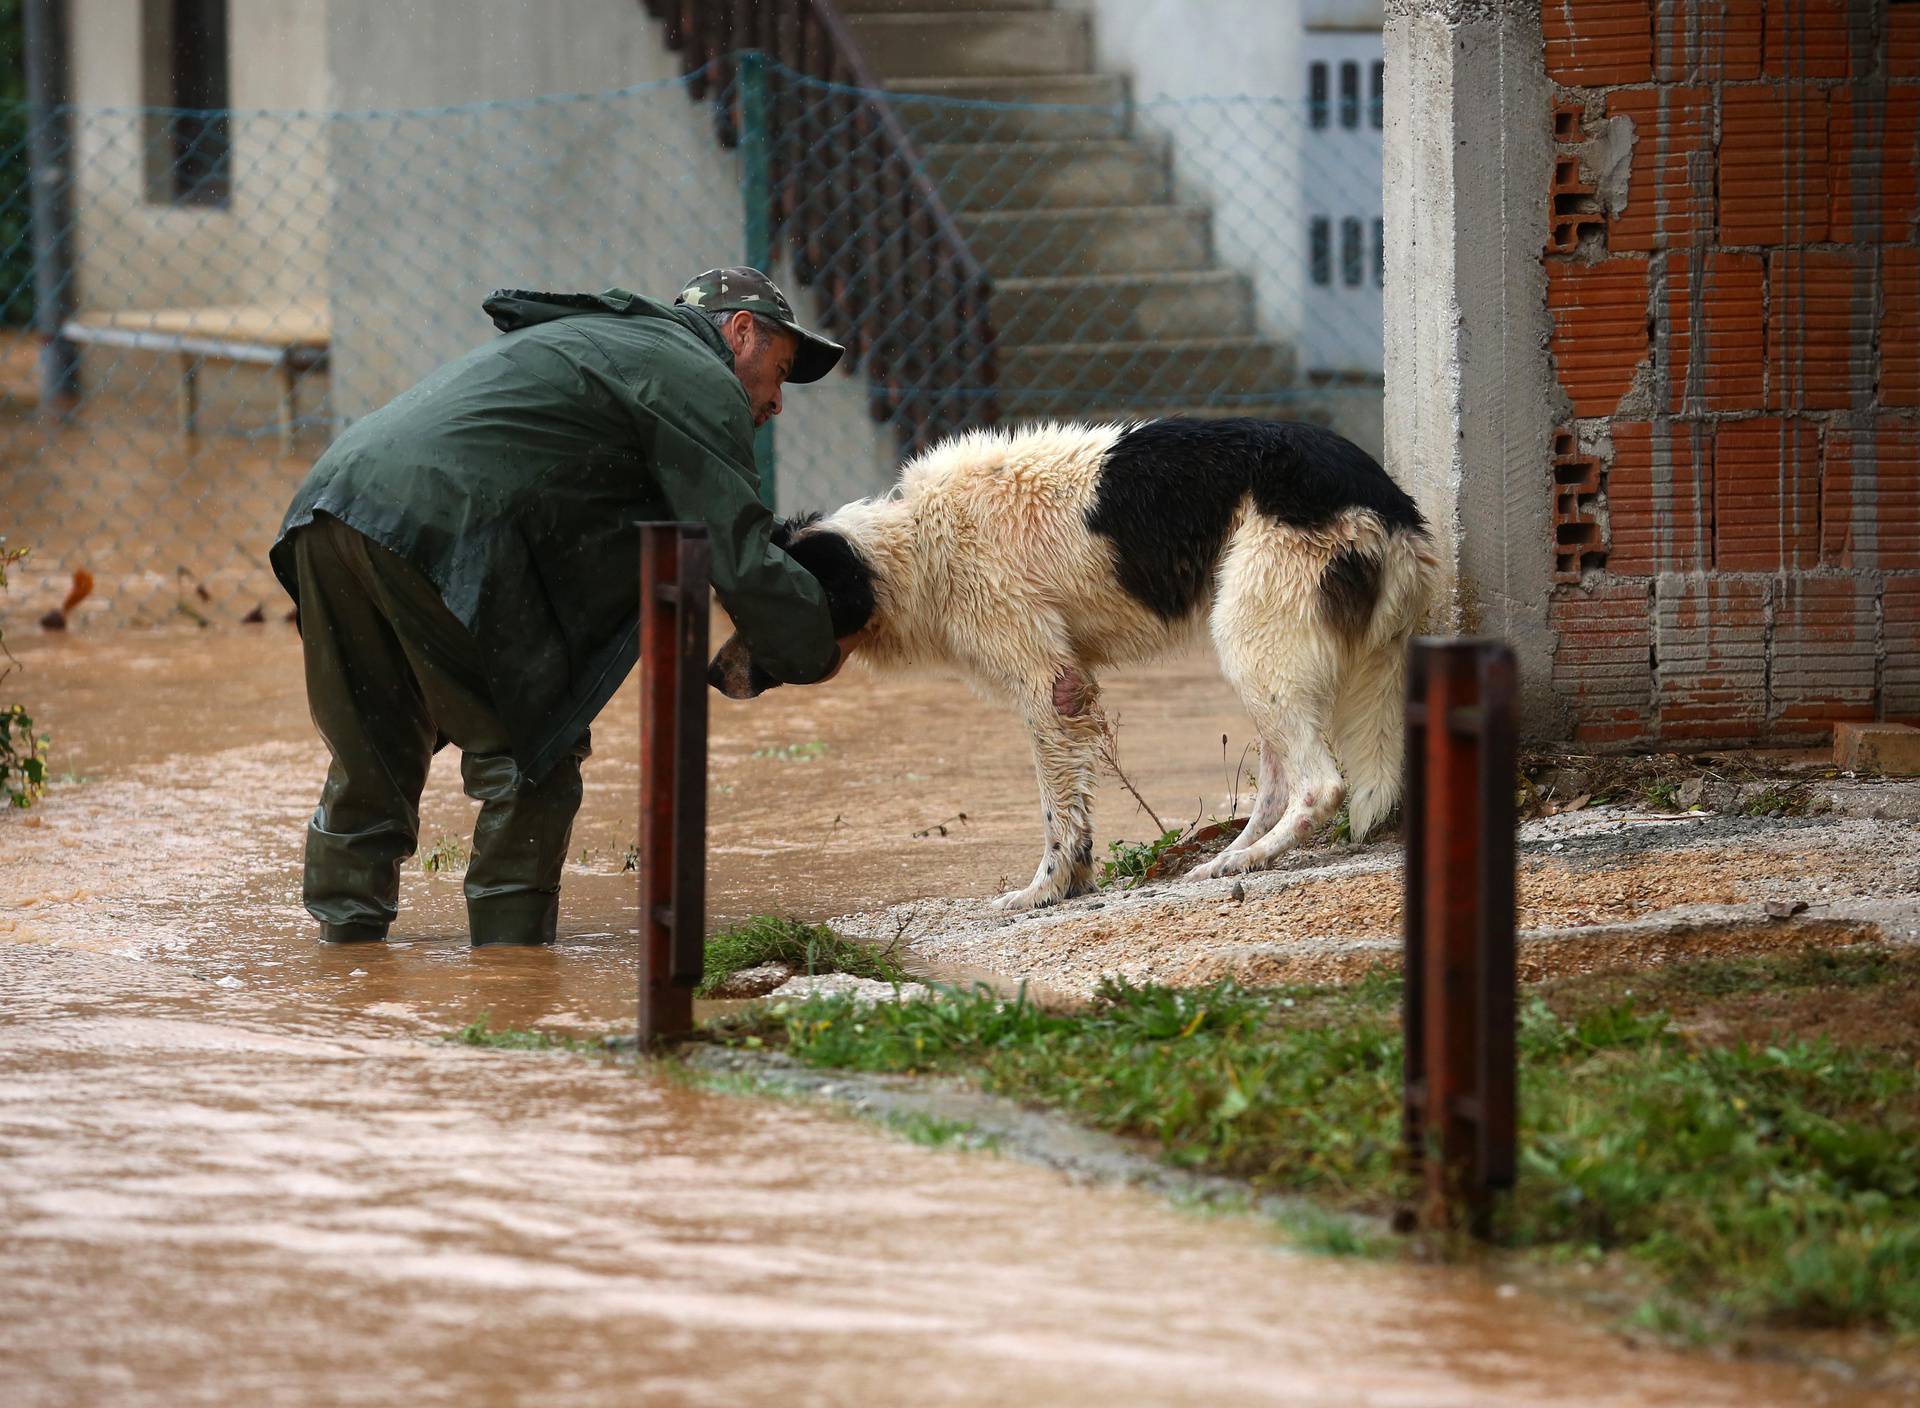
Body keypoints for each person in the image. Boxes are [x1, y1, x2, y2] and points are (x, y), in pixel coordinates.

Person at [268, 267, 851, 947]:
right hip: (436, 518)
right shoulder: (694, 374)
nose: (778, 401)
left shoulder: (601, 340)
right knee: (531, 746)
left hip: (328, 505)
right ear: (741, 331)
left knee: (373, 741)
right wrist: (817, 643)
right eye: (779, 372)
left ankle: (345, 958)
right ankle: (512, 975)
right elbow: (735, 550)